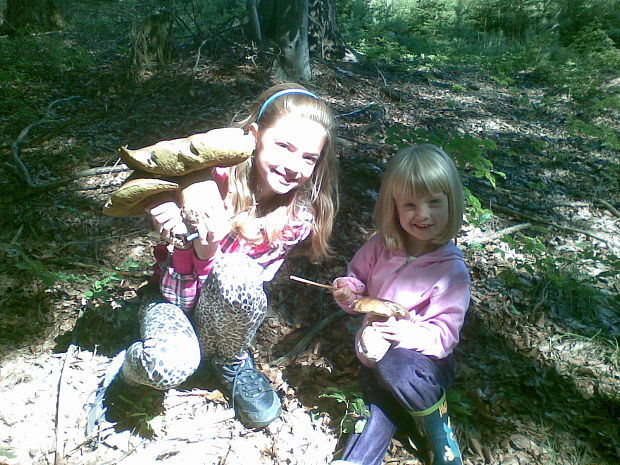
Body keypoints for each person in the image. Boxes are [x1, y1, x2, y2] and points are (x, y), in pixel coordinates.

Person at [92, 83, 339, 431]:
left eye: (308, 157)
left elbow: (237, 291)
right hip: (170, 301)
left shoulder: (296, 220)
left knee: (238, 271)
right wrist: (163, 205)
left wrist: (207, 251)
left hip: (223, 319)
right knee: (169, 364)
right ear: (254, 136)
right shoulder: (211, 178)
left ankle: (229, 361)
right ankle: (130, 375)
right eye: (283, 146)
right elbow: (159, 168)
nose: (292, 165)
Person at [329, 144, 470, 465]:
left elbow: (443, 338)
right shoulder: (380, 246)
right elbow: (358, 281)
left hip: (423, 364)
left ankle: (437, 429)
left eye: (434, 202)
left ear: (451, 202)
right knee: (375, 409)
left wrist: (402, 334)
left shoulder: (451, 271)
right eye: (410, 204)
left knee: (396, 368)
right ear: (394, 208)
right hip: (374, 357)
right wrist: (348, 291)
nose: (422, 214)